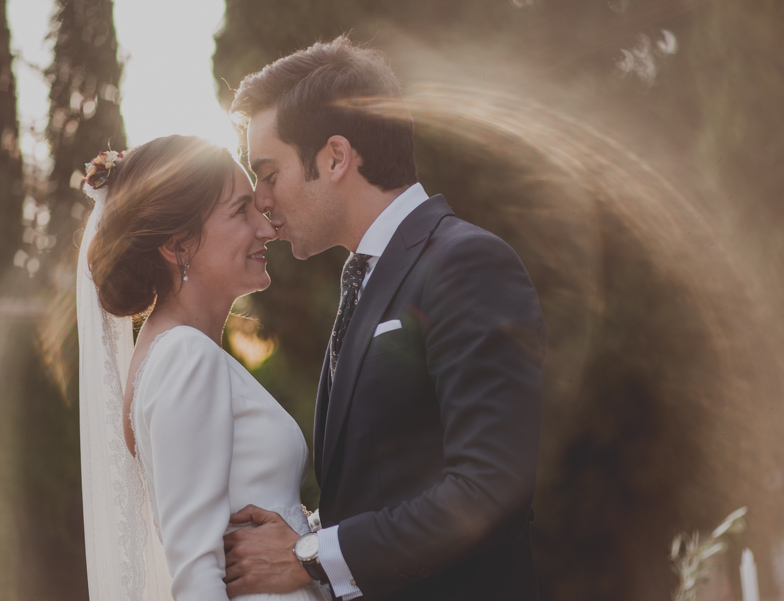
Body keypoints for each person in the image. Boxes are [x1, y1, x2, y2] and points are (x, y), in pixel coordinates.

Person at [223, 36, 546, 601]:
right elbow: (383, 486)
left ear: (336, 157)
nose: (261, 200)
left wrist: (309, 558)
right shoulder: (363, 282)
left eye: (269, 173)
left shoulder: (465, 262)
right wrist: (312, 534)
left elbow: (489, 488)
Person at [76, 135, 331, 601]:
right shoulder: (185, 358)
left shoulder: (178, 354)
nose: (267, 228)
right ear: (177, 247)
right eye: (240, 212)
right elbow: (196, 574)